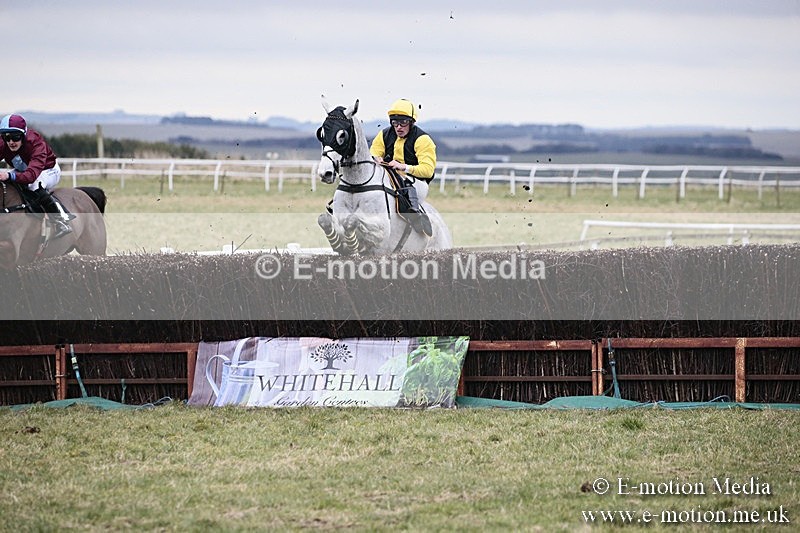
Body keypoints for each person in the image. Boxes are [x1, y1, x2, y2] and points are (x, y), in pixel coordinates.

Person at [370, 98, 436, 235]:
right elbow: (374, 153)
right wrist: (375, 158)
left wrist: (403, 167)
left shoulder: (423, 139)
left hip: (416, 182)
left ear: (412, 122)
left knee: (404, 185)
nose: (399, 127)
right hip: (391, 177)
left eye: (403, 122)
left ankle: (416, 216)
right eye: (395, 123)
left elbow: (428, 171)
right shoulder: (384, 134)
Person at [0, 113, 72, 238]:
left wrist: (10, 176)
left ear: (23, 135)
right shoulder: (3, 144)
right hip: (23, 170)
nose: (11, 142)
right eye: (6, 137)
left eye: (15, 137)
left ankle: (60, 220)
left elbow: (31, 175)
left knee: (34, 185)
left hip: (47, 170)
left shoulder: (36, 143)